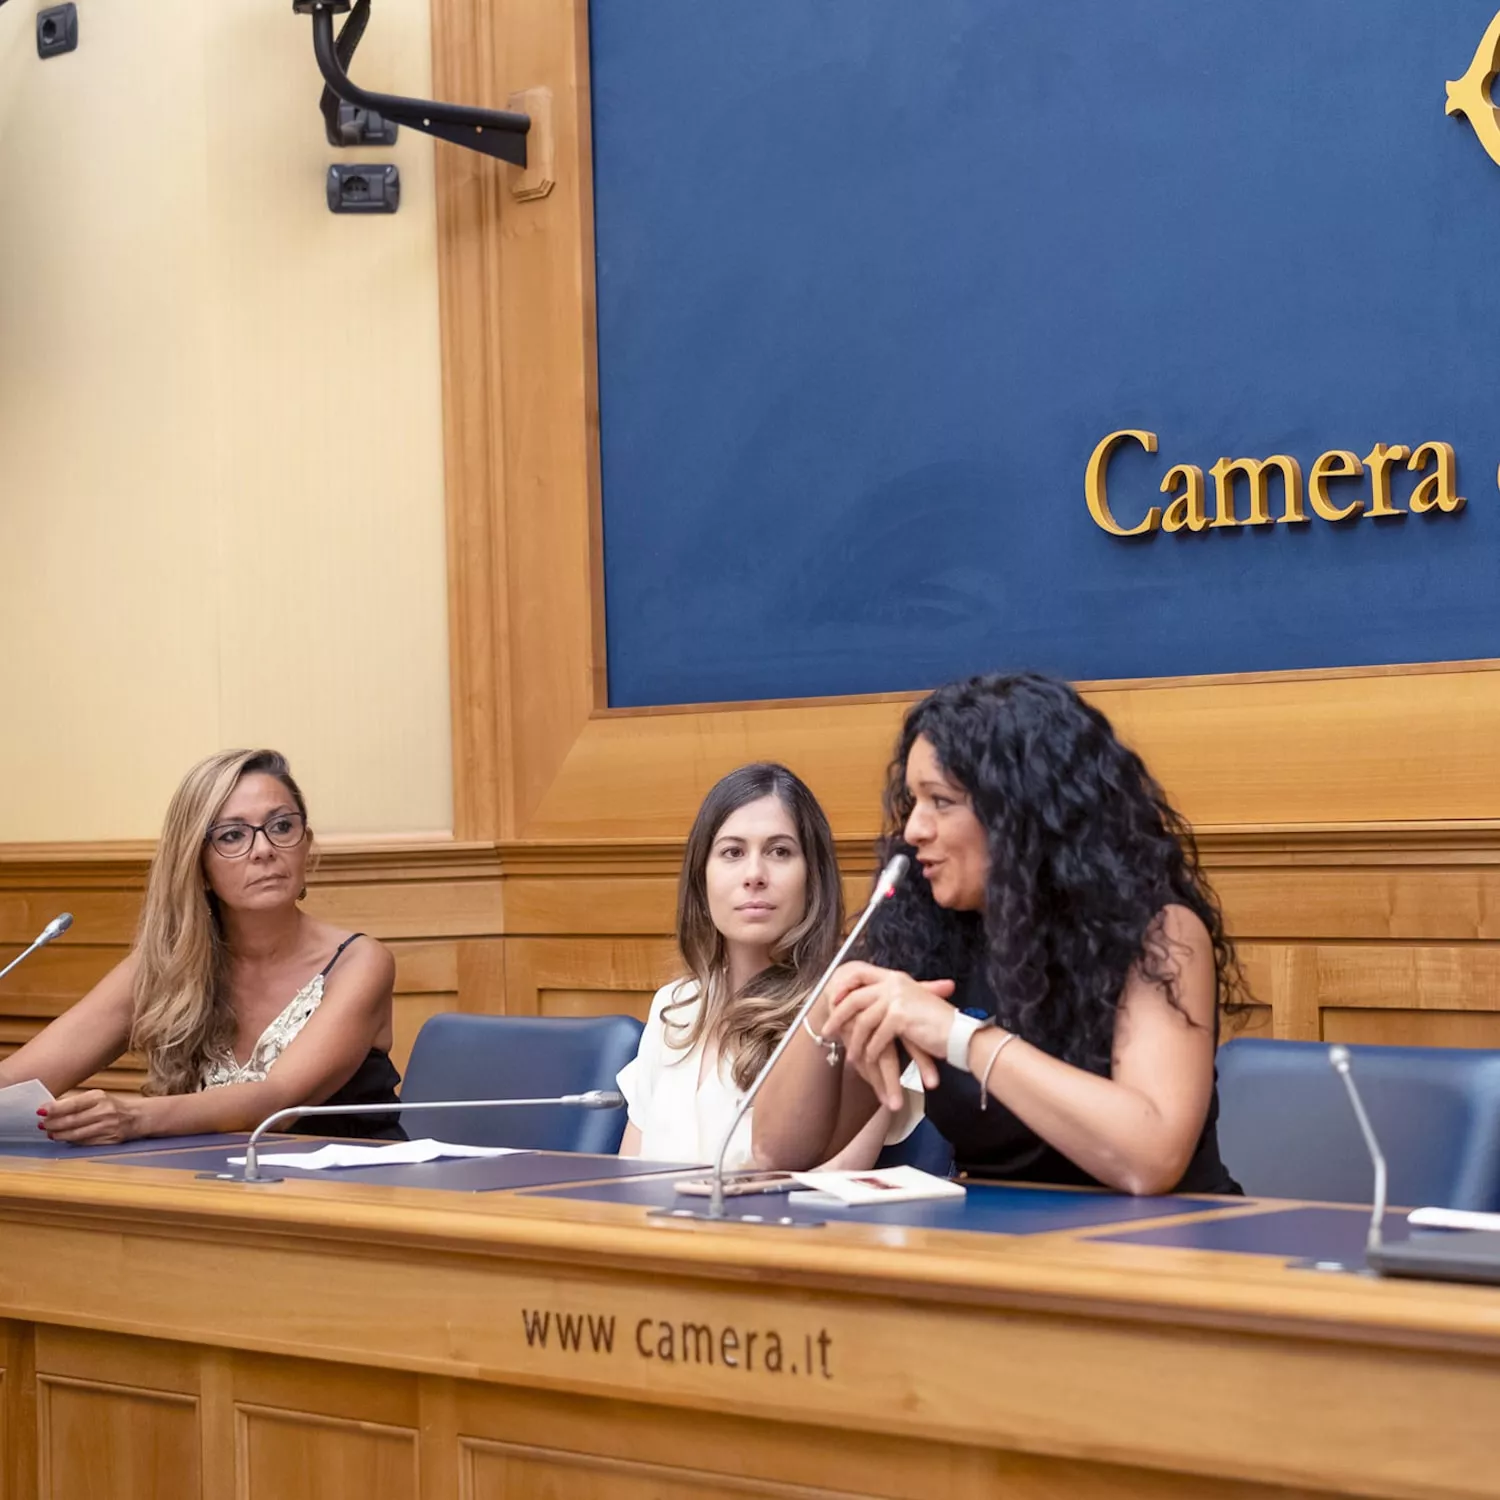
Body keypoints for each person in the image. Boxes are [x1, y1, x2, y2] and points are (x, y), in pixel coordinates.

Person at [752, 673, 1247, 1195]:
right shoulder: (922, 928)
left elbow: (1150, 1160)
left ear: (1022, 812)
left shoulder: (1157, 932)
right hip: (995, 1249)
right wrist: (830, 1002)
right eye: (912, 801)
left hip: (1163, 1250)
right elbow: (779, 1153)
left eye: (940, 801)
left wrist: (960, 1037)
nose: (915, 829)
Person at [0, 749, 404, 1144]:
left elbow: (278, 1103)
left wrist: (134, 1116)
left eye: (281, 827)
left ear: (305, 844)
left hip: (351, 1193)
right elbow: (18, 1082)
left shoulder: (360, 962)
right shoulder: (165, 965)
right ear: (199, 865)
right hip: (211, 1192)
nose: (264, 850)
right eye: (232, 836)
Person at [618, 762, 920, 1171]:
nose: (754, 875)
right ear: (700, 878)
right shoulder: (675, 1006)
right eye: (732, 852)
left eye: (780, 852)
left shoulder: (849, 1011)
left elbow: (825, 1188)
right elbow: (621, 1184)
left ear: (813, 877)